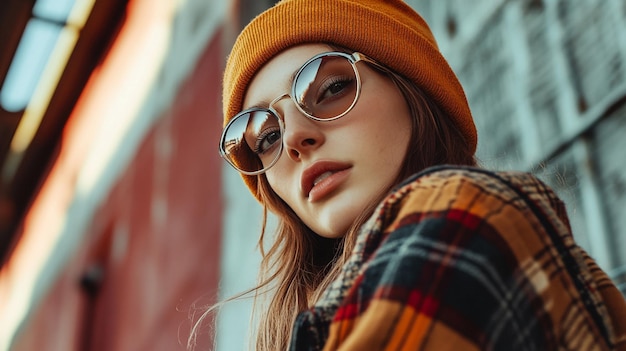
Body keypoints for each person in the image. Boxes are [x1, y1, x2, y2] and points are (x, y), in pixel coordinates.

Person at [211, 0, 626, 350]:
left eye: (332, 87)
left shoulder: (463, 214)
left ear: (411, 90)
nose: (296, 139)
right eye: (266, 137)